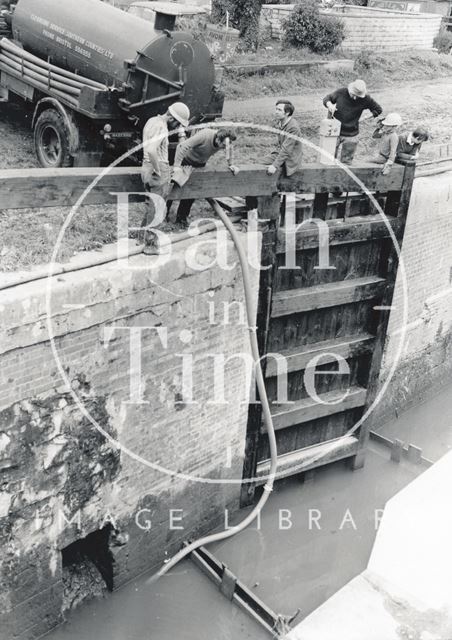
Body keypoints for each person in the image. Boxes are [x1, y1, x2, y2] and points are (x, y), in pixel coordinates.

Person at [140, 102, 190, 252]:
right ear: (172, 118)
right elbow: (151, 149)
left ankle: (140, 238)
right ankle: (150, 246)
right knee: (157, 208)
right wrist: (159, 170)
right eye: (178, 124)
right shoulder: (161, 127)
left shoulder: (151, 121)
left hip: (145, 167)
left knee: (151, 205)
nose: (177, 127)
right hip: (157, 166)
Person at [170, 128, 240, 228]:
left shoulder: (226, 141)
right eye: (223, 145)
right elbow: (182, 146)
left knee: (192, 192)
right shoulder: (205, 135)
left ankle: (181, 219)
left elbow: (229, 150)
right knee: (173, 187)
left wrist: (231, 164)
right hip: (185, 160)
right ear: (217, 139)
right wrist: (177, 167)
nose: (224, 148)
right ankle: (164, 214)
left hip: (200, 164)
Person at [323, 79, 382, 164]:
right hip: (334, 131)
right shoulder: (341, 92)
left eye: (358, 96)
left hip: (351, 133)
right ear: (350, 90)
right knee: (328, 159)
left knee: (346, 162)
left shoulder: (366, 99)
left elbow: (378, 109)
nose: (355, 98)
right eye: (353, 95)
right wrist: (330, 105)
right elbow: (327, 98)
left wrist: (365, 117)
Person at [267, 99, 302, 177]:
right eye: (276, 109)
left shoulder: (293, 127)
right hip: (282, 155)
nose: (276, 112)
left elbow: (287, 150)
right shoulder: (281, 123)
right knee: (259, 162)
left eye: (279, 110)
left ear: (287, 113)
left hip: (290, 159)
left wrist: (274, 166)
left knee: (262, 166)